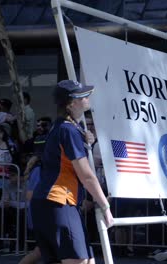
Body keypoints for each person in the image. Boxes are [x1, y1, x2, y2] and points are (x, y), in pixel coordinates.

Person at [31, 80, 113, 264]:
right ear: (71, 103)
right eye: (83, 95)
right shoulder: (68, 130)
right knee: (80, 261)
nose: (88, 97)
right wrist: (104, 206)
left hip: (55, 202)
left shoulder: (67, 127)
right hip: (58, 200)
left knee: (88, 261)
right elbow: (86, 175)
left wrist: (87, 143)